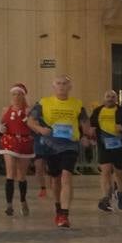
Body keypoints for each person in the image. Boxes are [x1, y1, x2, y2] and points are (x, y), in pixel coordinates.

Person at [26, 74, 89, 228]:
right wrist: (40, 129)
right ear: (54, 87)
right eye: (58, 84)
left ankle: (65, 214)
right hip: (50, 145)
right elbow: (30, 121)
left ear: (70, 87)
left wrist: (86, 135)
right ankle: (58, 207)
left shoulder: (77, 104)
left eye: (64, 83)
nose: (61, 86)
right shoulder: (43, 103)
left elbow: (85, 122)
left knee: (66, 176)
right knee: (55, 179)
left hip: (70, 145)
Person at [90, 89, 122, 212]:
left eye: (113, 96)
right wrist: (90, 135)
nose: (110, 98)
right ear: (104, 98)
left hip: (119, 145)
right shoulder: (97, 111)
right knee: (105, 171)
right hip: (103, 145)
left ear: (116, 99)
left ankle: (120, 192)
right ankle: (106, 197)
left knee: (118, 172)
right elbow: (91, 125)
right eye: (108, 96)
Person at [0, 83, 35, 216]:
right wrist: (0, 127)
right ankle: (9, 204)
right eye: (14, 94)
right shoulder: (6, 109)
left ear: (24, 96)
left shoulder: (28, 110)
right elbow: (0, 122)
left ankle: (23, 200)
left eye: (19, 94)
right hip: (9, 141)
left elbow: (33, 124)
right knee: (10, 172)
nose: (16, 97)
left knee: (22, 175)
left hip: (24, 142)